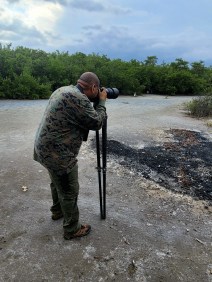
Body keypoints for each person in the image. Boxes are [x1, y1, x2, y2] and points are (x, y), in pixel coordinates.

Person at [34, 72, 107, 240]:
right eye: (98, 90)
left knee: (57, 181)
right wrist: (102, 101)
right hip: (57, 153)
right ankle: (72, 229)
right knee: (69, 189)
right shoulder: (79, 99)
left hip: (44, 148)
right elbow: (96, 122)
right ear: (94, 87)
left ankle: (58, 211)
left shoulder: (64, 90)